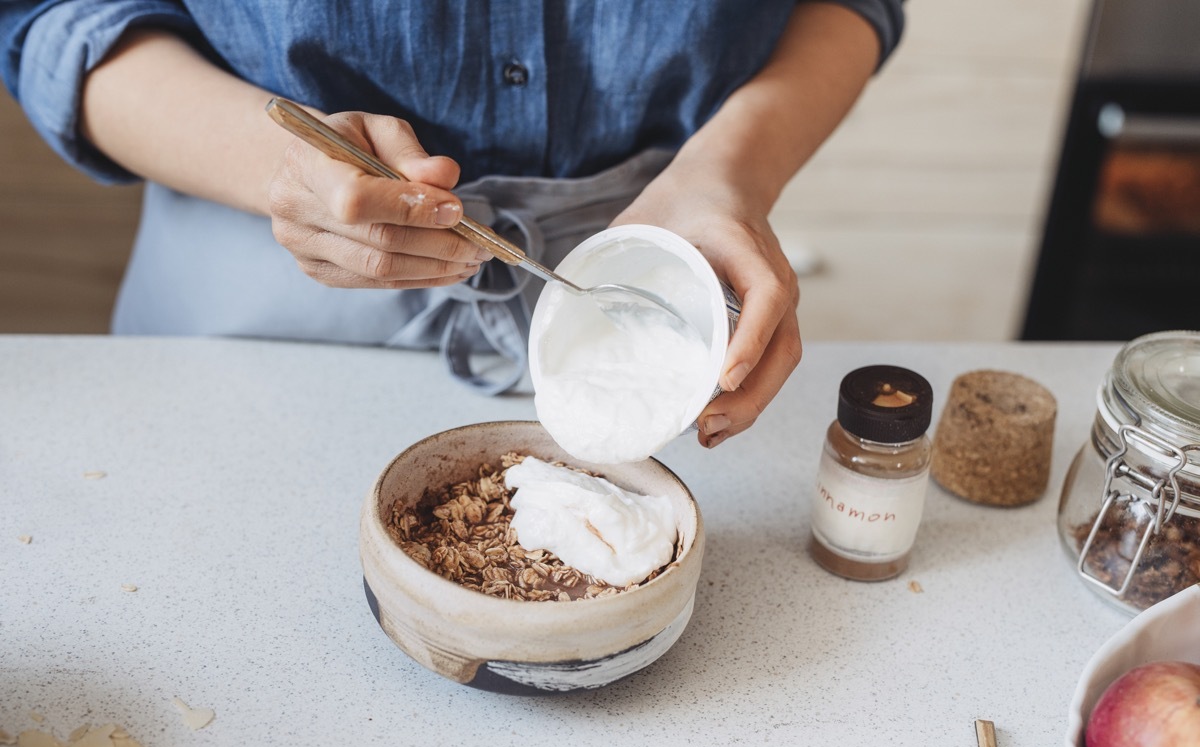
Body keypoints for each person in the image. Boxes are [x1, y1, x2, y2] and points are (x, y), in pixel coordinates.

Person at [0, 1, 903, 448]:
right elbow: (48, 18)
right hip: (254, 314)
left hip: (657, 272)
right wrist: (279, 166)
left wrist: (729, 171)